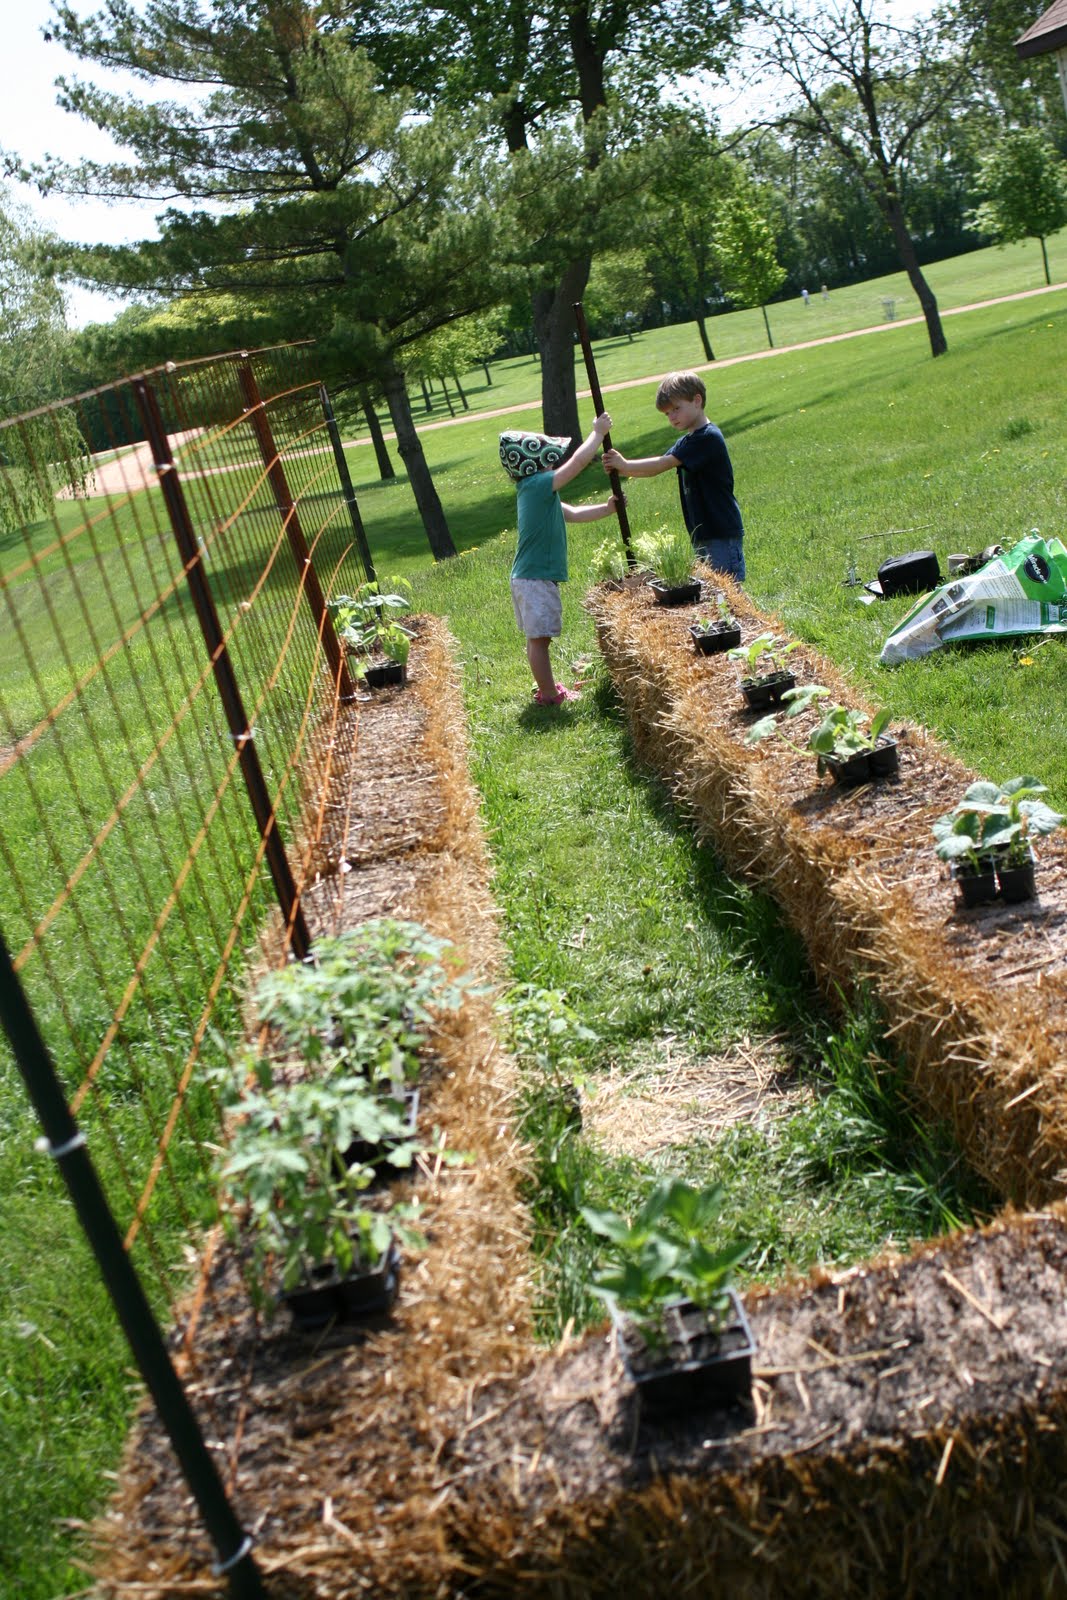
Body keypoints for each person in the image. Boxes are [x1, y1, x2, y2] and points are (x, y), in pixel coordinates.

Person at [500, 417, 620, 707]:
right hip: (534, 578)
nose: (553, 463)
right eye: (549, 459)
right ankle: (550, 695)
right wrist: (597, 434)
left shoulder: (537, 493)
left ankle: (546, 689)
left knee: (537, 639)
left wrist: (607, 509)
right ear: (538, 464)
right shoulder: (537, 485)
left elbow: (574, 514)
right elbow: (577, 464)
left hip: (528, 577)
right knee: (540, 640)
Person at [601, 372, 745, 581]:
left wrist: (624, 465)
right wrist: (622, 470)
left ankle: (745, 616)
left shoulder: (706, 438)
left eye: (676, 409)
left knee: (728, 589)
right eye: (667, 413)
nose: (672, 417)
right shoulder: (689, 440)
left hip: (720, 530)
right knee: (715, 590)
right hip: (704, 531)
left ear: (697, 401)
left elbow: (662, 464)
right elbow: (658, 464)